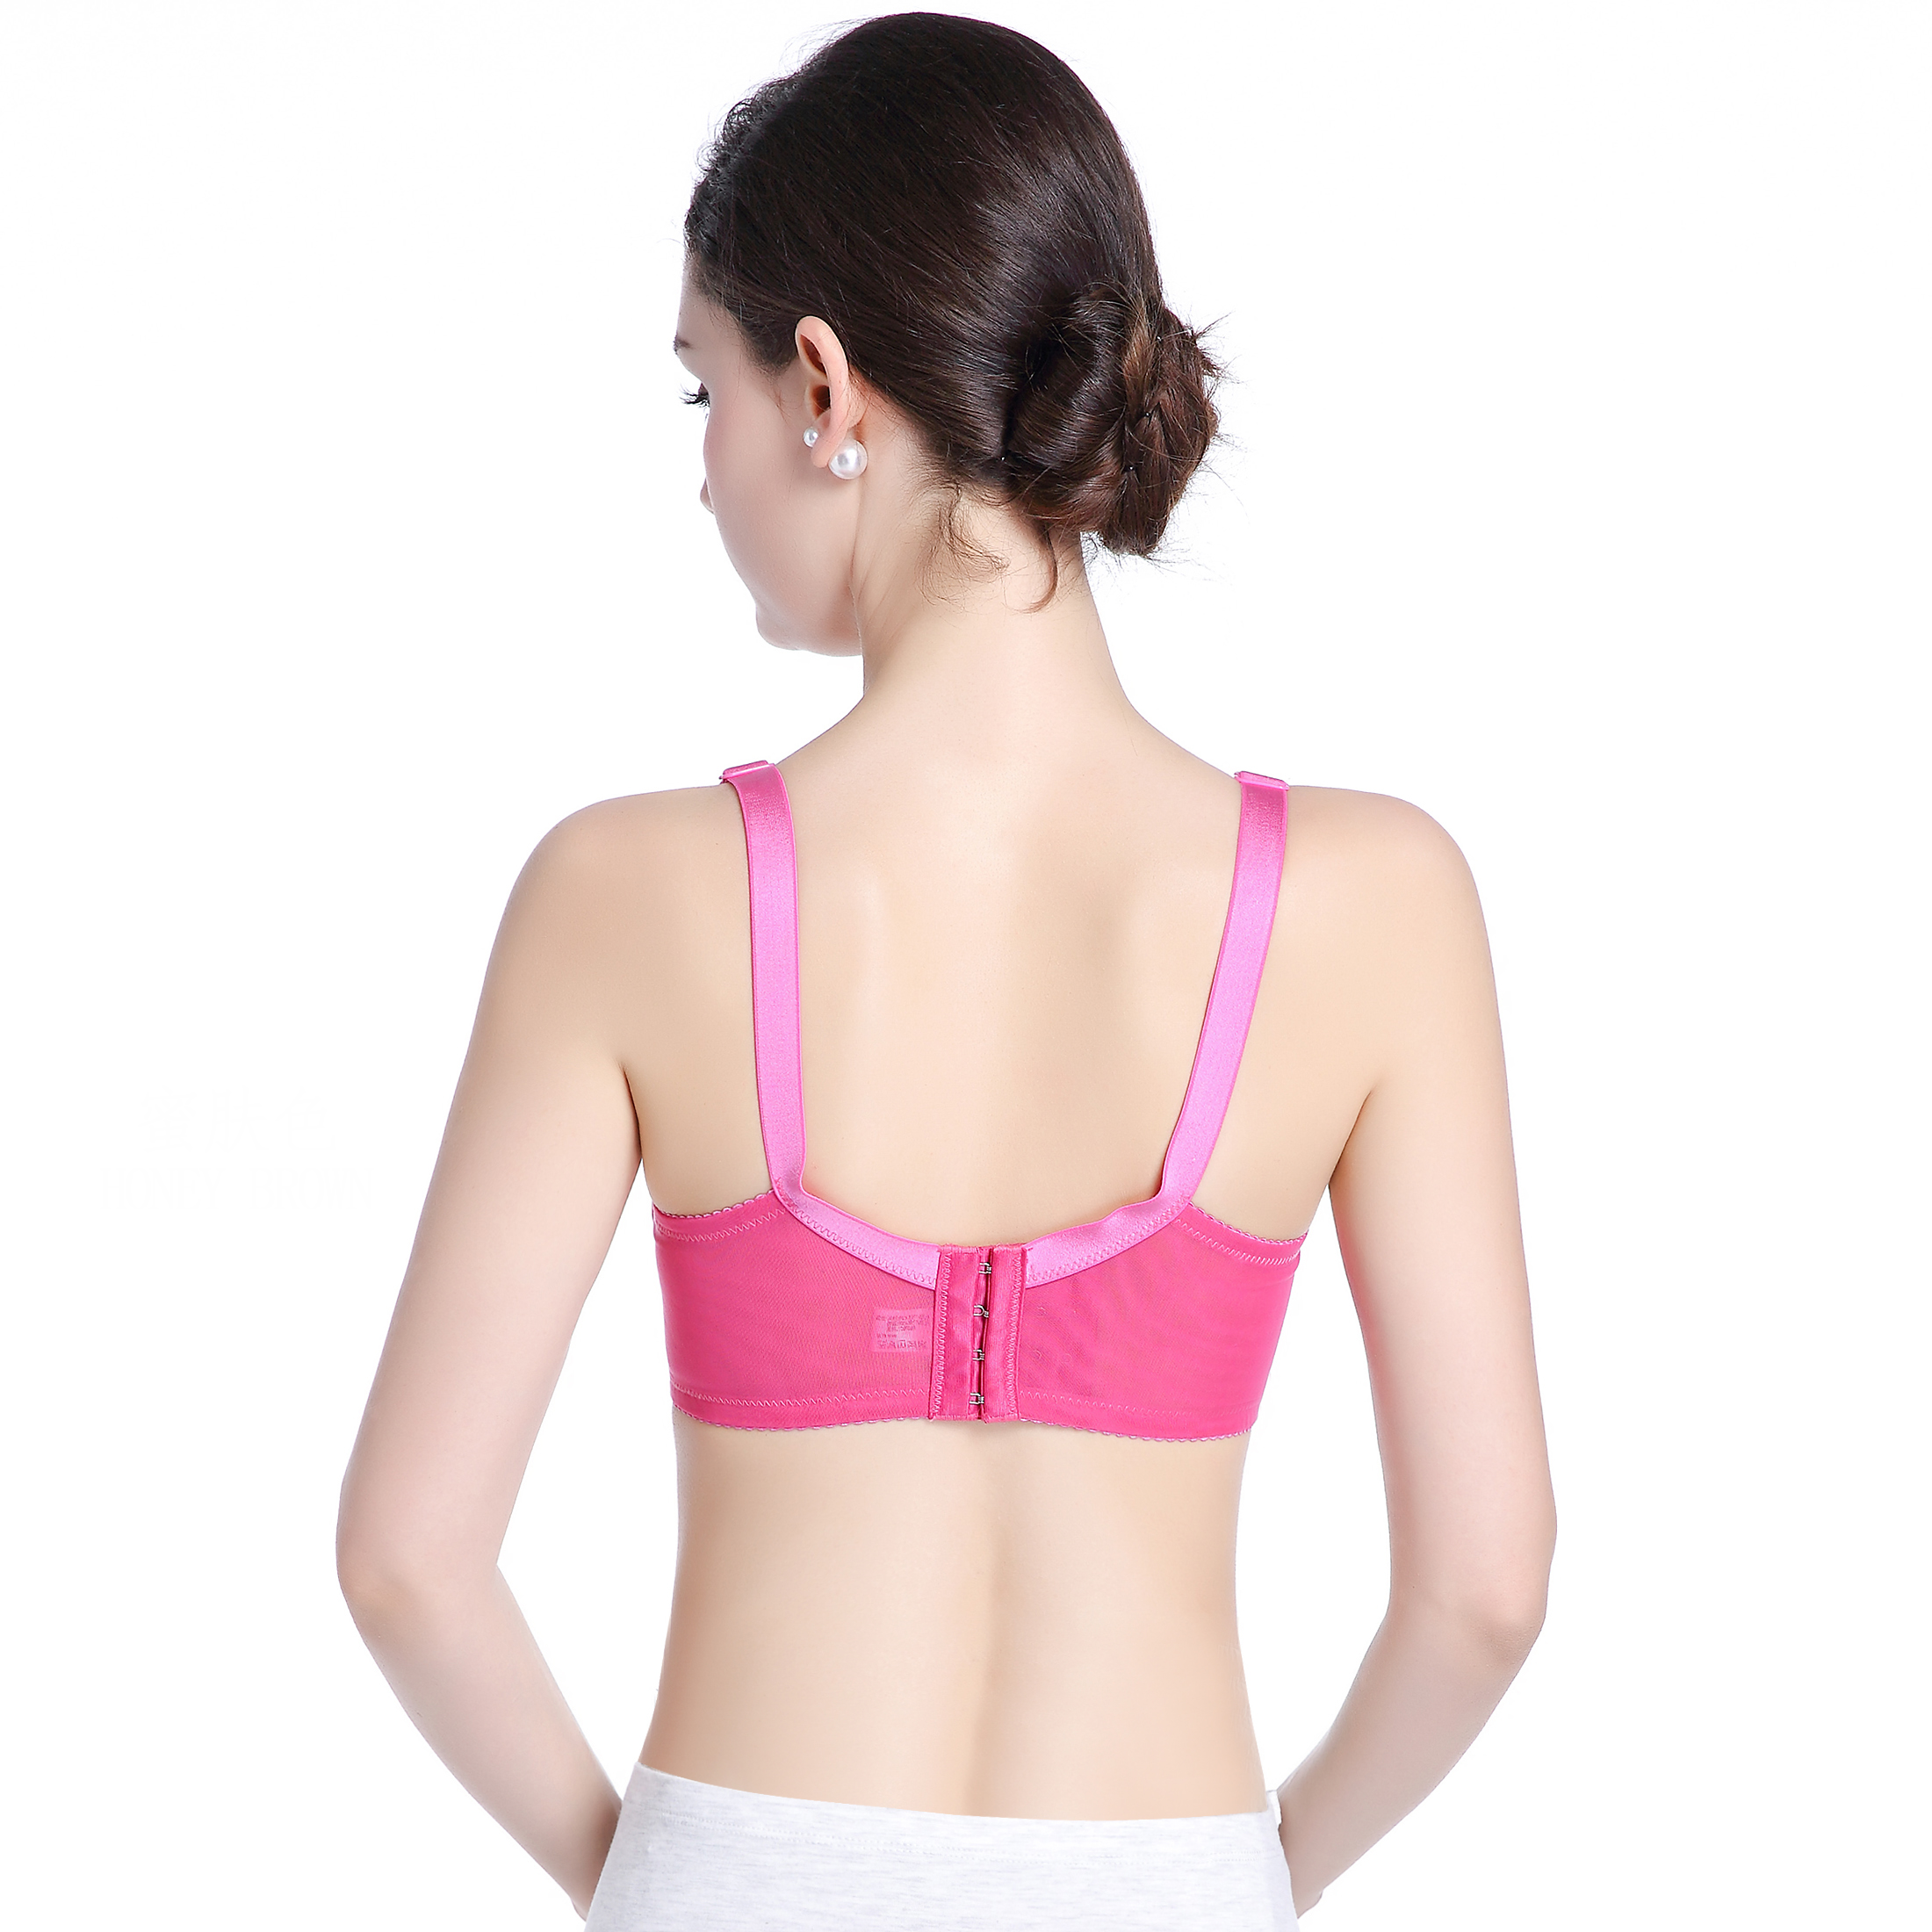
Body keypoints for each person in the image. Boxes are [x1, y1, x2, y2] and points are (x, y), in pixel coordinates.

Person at [335, 14, 1556, 1928]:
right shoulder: (1375, 901)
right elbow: (1483, 1592)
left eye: (703, 389)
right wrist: (1246, 1880)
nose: (705, 471)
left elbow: (409, 1555)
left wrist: (652, 1883)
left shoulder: (623, 893)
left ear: (824, 385)